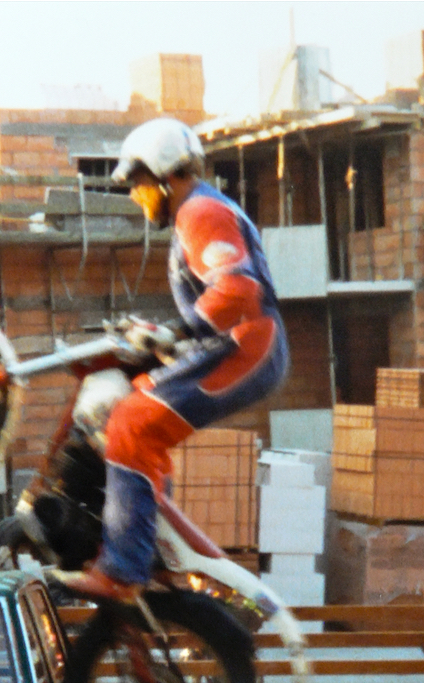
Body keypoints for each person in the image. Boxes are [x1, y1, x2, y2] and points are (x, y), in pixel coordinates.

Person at [60, 117, 290, 600]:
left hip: (247, 347)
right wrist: (165, 337)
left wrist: (178, 332)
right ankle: (150, 547)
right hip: (234, 344)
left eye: (138, 183)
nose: (134, 196)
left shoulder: (200, 212)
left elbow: (238, 289)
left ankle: (122, 571)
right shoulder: (200, 210)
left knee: (131, 423)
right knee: (137, 403)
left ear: (164, 176)